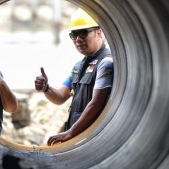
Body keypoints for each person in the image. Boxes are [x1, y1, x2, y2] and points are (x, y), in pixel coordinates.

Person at [34, 8, 113, 145]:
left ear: (99, 33)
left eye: (83, 33)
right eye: (74, 35)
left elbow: (96, 103)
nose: (78, 39)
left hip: (91, 138)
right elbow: (60, 97)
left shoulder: (106, 63)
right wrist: (46, 88)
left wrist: (70, 133)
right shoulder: (78, 67)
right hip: (77, 136)